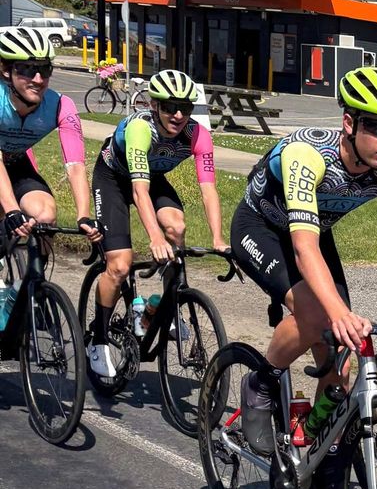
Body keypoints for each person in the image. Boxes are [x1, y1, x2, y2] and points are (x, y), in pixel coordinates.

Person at [232, 66, 377, 465]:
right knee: (316, 315)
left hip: (314, 230)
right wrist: (337, 312)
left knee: (340, 358)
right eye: (376, 126)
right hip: (261, 227)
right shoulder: (307, 155)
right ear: (348, 122)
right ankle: (261, 382)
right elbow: (303, 247)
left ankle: (313, 449)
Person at [87, 69, 228, 377]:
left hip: (153, 177)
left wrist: (218, 239)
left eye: (185, 107)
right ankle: (98, 339)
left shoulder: (198, 135)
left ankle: (161, 309)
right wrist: (154, 237)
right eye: (169, 106)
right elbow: (139, 190)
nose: (178, 115)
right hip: (113, 179)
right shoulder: (141, 129)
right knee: (119, 265)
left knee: (177, 228)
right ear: (154, 105)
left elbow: (208, 189)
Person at [0, 27, 101, 246]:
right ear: (6, 70)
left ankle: (38, 268)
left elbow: (75, 166)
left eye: (44, 69)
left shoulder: (60, 106)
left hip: (15, 162)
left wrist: (84, 216)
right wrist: (12, 210)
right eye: (27, 69)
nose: (38, 79)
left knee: (45, 216)